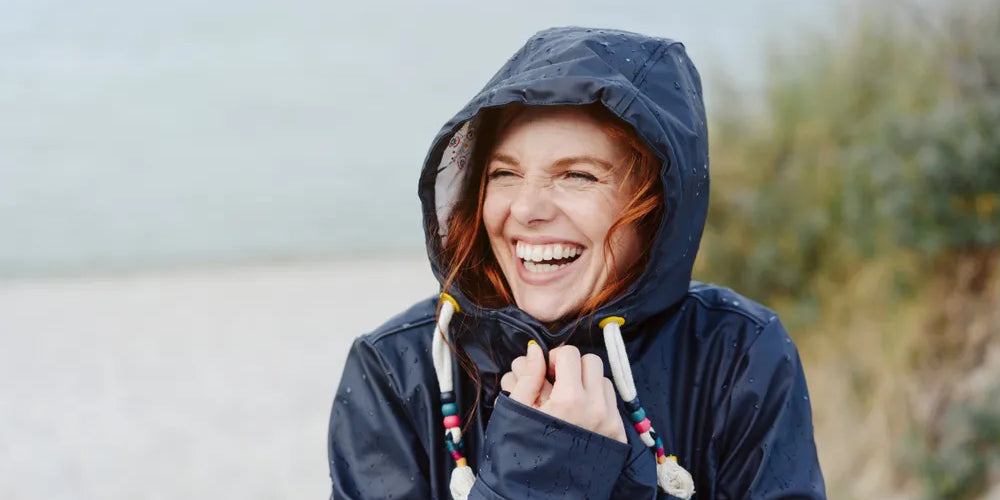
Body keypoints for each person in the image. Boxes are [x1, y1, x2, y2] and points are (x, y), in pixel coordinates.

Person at [328, 27, 826, 499]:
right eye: (504, 173)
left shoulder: (738, 355)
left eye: (577, 176)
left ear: (658, 204)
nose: (525, 210)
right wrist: (535, 475)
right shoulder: (396, 370)